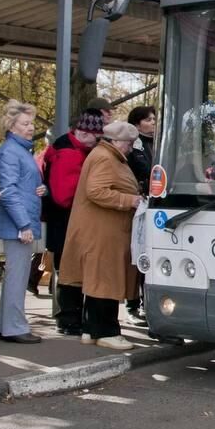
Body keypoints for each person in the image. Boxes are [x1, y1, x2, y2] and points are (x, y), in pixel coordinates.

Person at [60, 121, 143, 350]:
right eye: (128, 143)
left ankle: (90, 329)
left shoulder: (103, 155)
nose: (130, 148)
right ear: (116, 142)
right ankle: (105, 331)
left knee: (99, 281)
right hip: (103, 232)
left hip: (103, 230)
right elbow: (96, 191)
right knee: (105, 282)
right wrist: (131, 200)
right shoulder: (107, 158)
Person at [41, 110, 105, 336]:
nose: (97, 142)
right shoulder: (69, 153)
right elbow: (64, 195)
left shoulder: (69, 148)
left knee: (69, 272)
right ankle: (68, 319)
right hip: (66, 223)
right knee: (70, 273)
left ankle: (70, 317)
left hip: (65, 223)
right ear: (84, 132)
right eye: (95, 137)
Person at [0, 100, 45, 344]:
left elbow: (20, 186)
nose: (30, 127)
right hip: (19, 224)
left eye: (31, 123)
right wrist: (24, 225)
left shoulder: (18, 150)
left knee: (16, 275)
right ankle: (14, 327)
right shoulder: (12, 152)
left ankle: (7, 325)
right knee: (17, 276)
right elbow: (9, 191)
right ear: (11, 126)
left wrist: (40, 188)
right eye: (25, 123)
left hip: (20, 221)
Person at [125, 106, 156, 323]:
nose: (153, 122)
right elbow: (146, 169)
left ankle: (146, 302)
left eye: (154, 119)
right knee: (138, 255)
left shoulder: (160, 142)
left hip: (155, 204)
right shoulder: (136, 146)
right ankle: (133, 304)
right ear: (137, 124)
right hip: (140, 204)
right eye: (148, 119)